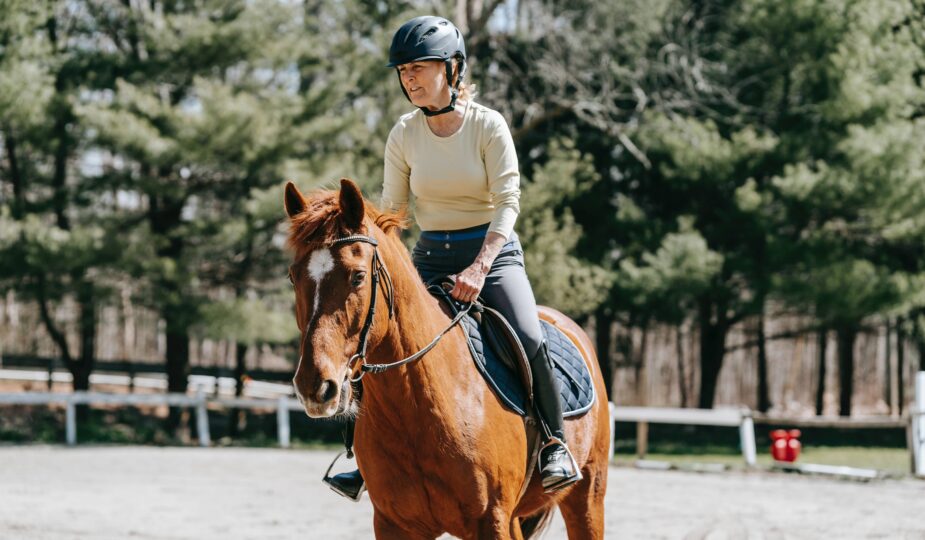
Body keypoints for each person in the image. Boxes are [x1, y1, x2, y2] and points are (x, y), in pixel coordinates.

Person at [323, 15, 581, 501]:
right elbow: (393, 211)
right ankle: (361, 457)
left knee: (528, 334)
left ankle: (553, 443)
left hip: (494, 253)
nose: (410, 78)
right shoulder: (403, 134)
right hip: (429, 256)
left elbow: (509, 202)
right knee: (373, 337)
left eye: (420, 67)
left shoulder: (488, 125)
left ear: (453, 68)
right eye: (403, 71)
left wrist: (481, 266)